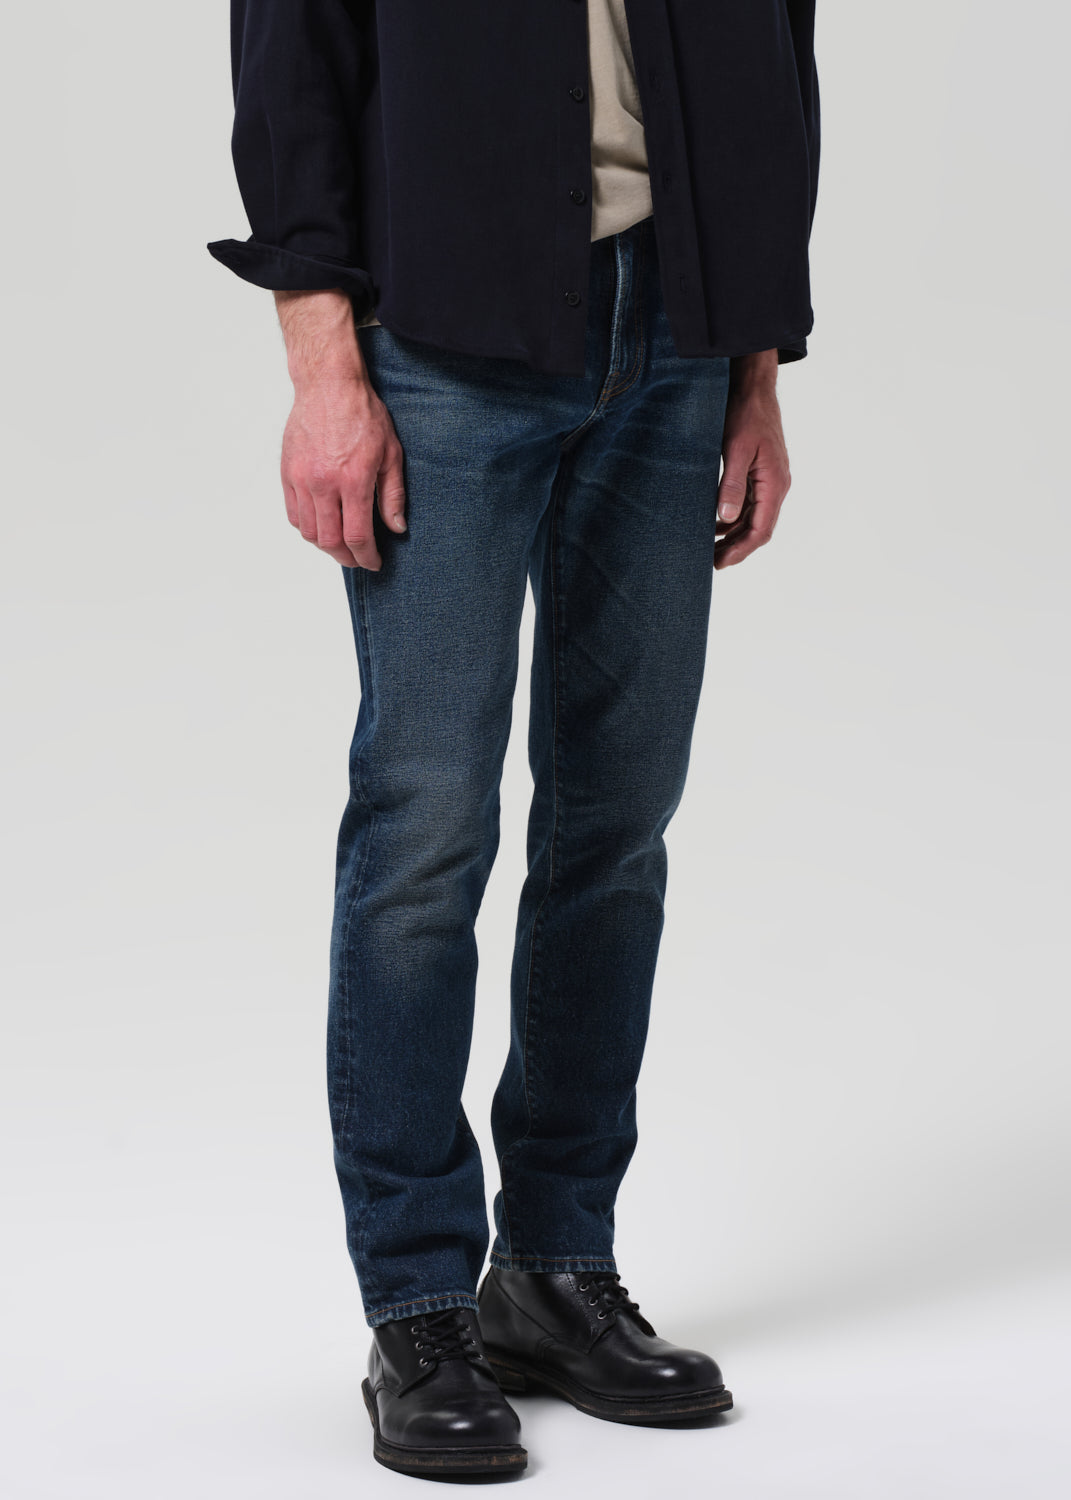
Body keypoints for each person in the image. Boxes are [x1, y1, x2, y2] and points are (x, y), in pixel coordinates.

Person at [208, 0, 819, 1481]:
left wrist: (754, 359)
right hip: (445, 331)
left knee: (618, 827)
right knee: (425, 829)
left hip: (677, 331)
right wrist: (321, 364)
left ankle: (553, 1267)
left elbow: (778, 45)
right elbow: (292, 47)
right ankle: (418, 1304)